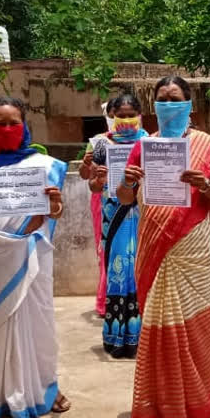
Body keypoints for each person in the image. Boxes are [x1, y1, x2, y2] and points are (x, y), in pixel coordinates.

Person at [117, 76, 210, 418]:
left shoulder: (209, 147)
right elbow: (124, 198)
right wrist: (129, 181)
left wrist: (204, 185)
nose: (168, 104)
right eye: (162, 99)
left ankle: (201, 402)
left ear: (189, 105)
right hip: (153, 245)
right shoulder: (143, 146)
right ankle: (158, 406)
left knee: (194, 326)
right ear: (154, 106)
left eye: (175, 98)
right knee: (157, 326)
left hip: (193, 247)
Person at [0, 96, 71, 418]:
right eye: (0, 123)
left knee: (39, 324)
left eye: (13, 123)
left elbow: (54, 213)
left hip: (31, 253)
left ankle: (44, 388)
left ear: (24, 126)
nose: (7, 128)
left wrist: (54, 205)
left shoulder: (42, 164)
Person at [88, 94, 148, 358]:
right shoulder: (103, 145)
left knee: (142, 270)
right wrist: (98, 179)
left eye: (130, 114)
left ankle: (144, 337)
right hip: (114, 214)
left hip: (144, 212)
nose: (125, 120)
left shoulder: (150, 142)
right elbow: (91, 184)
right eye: (120, 115)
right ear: (112, 116)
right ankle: (117, 336)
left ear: (140, 114)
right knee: (118, 271)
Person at [80, 100, 117, 317]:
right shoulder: (98, 143)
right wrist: (87, 164)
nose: (119, 119)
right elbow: (87, 176)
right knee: (105, 249)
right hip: (103, 199)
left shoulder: (143, 139)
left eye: (125, 114)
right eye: (114, 114)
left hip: (131, 200)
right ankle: (106, 300)